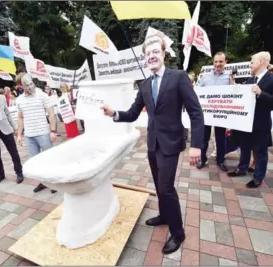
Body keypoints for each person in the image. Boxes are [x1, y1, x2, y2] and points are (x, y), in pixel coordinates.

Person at [101, 36, 204, 254]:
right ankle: (165, 216)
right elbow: (132, 113)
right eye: (148, 54)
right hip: (153, 144)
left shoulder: (178, 77)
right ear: (145, 58)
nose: (152, 56)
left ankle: (178, 233)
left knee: (166, 188)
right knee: (158, 186)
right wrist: (114, 113)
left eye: (156, 52)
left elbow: (196, 112)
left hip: (171, 144)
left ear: (164, 53)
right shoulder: (145, 84)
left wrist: (197, 144)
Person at [228, 51, 273, 188]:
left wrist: (260, 93)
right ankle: (242, 168)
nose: (250, 64)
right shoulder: (251, 79)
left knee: (260, 151)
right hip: (246, 122)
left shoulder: (271, 79)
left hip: (261, 123)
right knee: (244, 146)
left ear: (261, 62)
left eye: (252, 62)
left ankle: (258, 177)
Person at [16, 73, 57, 193]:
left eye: (31, 83)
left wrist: (53, 131)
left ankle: (54, 183)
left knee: (49, 158)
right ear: (20, 86)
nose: (29, 87)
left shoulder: (41, 95)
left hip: (43, 133)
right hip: (29, 135)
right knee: (36, 161)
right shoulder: (19, 100)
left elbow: (51, 114)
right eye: (26, 85)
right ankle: (43, 182)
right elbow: (20, 118)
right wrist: (19, 134)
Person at [197, 52, 234, 172]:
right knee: (204, 138)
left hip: (220, 113)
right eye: (215, 61)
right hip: (207, 113)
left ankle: (220, 160)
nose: (217, 64)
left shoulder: (229, 77)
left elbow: (235, 93)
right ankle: (202, 159)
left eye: (220, 61)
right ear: (213, 62)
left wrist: (233, 82)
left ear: (225, 62)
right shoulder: (205, 76)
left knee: (220, 138)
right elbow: (198, 92)